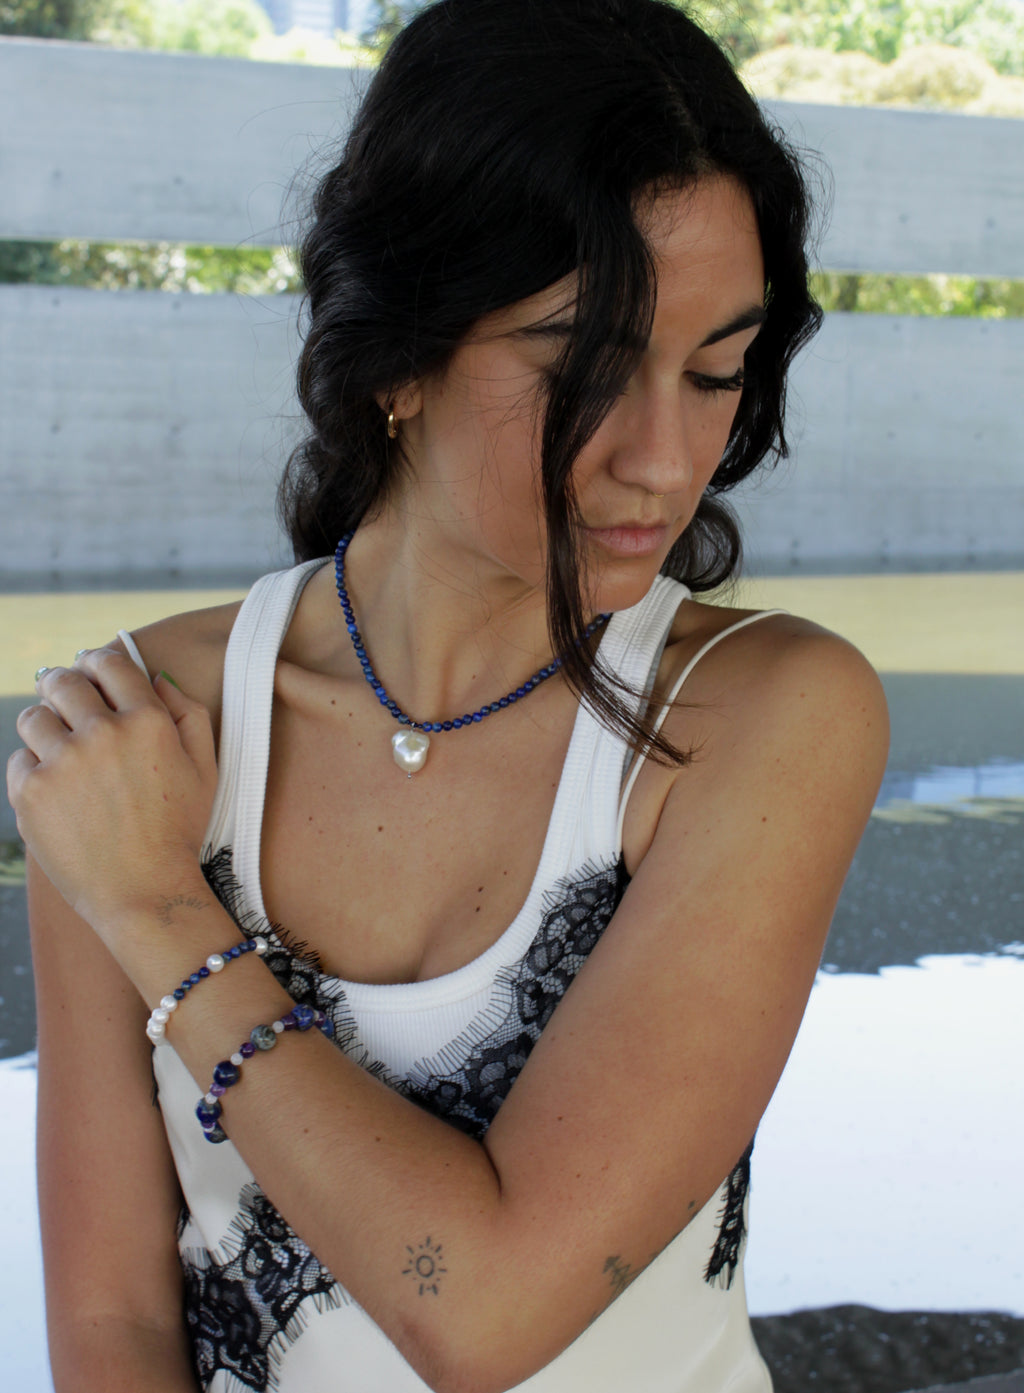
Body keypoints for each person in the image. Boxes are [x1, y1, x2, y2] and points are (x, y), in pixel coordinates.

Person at [8, 1, 889, 1390]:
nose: (668, 462)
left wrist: (157, 910)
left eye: (718, 370)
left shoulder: (761, 715)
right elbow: (112, 1316)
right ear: (401, 358)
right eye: (590, 370)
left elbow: (480, 1312)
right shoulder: (141, 733)